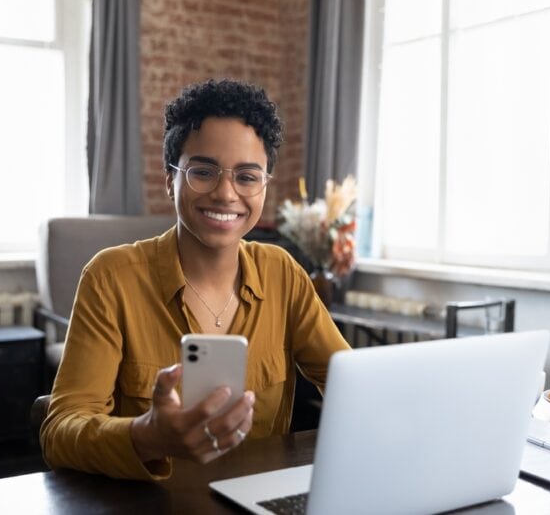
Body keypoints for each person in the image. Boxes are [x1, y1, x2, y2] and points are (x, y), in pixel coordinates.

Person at [40, 79, 351, 481]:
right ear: (170, 179)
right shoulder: (110, 278)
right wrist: (147, 436)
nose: (225, 193)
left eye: (247, 176)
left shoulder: (283, 274)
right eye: (203, 171)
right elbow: (59, 431)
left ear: (264, 186)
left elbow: (351, 384)